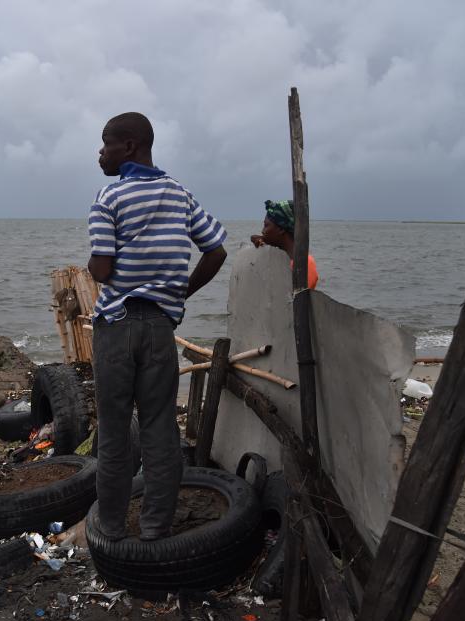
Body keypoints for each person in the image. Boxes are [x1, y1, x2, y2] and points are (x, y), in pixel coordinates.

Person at [87, 112, 227, 541]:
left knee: (113, 433)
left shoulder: (109, 198)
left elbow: (101, 269)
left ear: (128, 146)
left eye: (106, 143)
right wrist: (179, 292)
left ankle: (110, 530)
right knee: (160, 432)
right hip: (161, 328)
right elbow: (216, 251)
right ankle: (154, 530)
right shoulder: (180, 195)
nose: (100, 152)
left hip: (116, 325)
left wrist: (105, 264)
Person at [250, 199, 319, 289]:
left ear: (281, 229)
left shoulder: (304, 265)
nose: (262, 231)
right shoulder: (282, 259)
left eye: (266, 226)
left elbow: (295, 299)